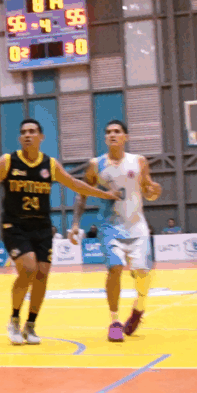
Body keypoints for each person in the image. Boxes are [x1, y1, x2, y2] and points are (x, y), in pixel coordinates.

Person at [0, 118, 116, 346]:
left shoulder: (49, 165)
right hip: (15, 225)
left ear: (41, 137)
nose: (27, 135)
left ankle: (30, 324)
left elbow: (75, 184)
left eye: (32, 131)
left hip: (42, 227)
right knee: (28, 268)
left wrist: (104, 194)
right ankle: (14, 320)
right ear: (20, 137)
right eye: (24, 132)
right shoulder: (7, 162)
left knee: (42, 274)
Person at [69, 120, 162, 342]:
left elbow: (148, 190)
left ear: (125, 137)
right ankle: (114, 322)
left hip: (137, 225)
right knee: (115, 268)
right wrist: (75, 224)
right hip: (109, 225)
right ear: (105, 138)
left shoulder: (138, 161)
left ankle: (139, 309)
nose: (112, 135)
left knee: (142, 272)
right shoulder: (96, 164)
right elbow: (82, 193)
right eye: (109, 132)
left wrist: (154, 191)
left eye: (117, 132)